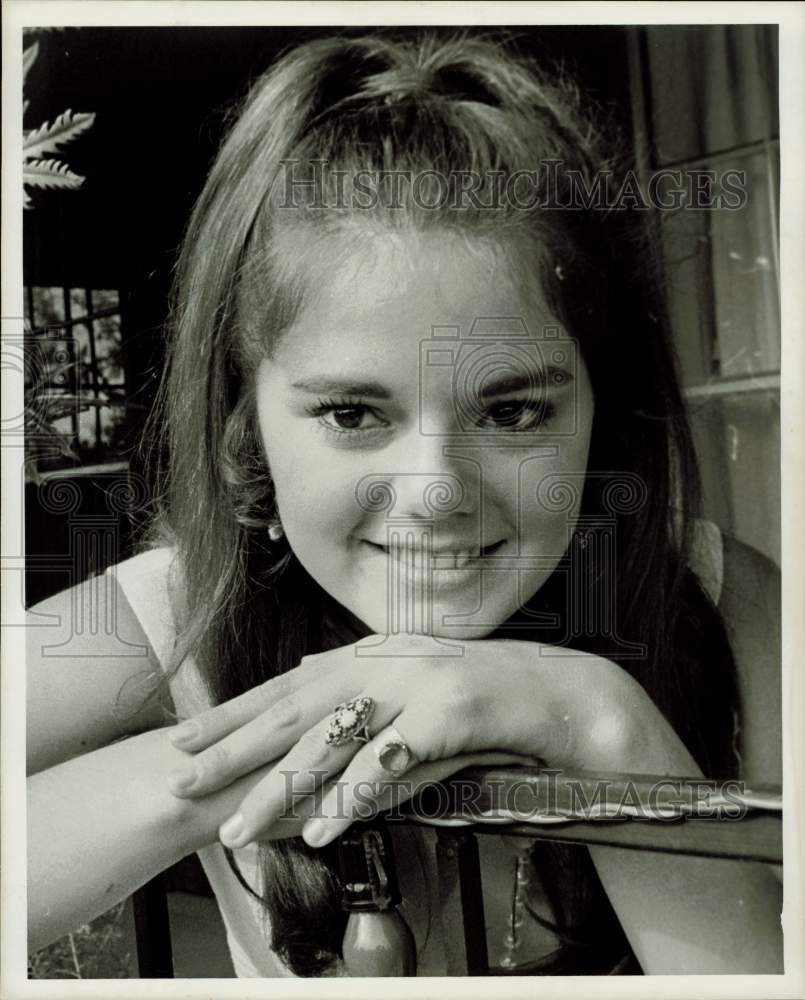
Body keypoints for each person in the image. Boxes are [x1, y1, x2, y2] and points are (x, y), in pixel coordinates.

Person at [27, 32, 783, 977]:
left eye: (512, 411)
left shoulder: (718, 603)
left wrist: (594, 717)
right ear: (245, 428)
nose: (435, 490)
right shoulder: (176, 613)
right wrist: (231, 767)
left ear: (601, 413)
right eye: (351, 412)